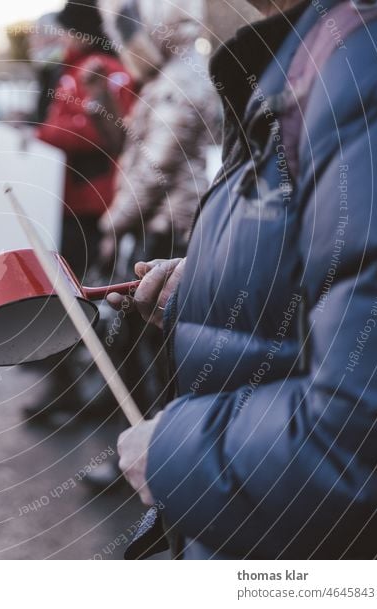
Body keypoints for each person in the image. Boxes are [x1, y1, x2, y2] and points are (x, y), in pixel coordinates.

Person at [110, 0, 377, 558]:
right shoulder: (311, 53)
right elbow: (317, 269)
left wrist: (169, 452)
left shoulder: (364, 63)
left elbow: (364, 433)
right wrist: (205, 284)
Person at [83, 0, 219, 488]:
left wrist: (111, 225)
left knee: (150, 353)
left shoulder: (179, 81)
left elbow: (155, 168)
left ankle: (154, 457)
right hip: (166, 225)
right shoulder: (180, 74)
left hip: (166, 228)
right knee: (153, 353)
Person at [25, 0, 136, 423]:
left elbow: (102, 130)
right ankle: (67, 387)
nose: (60, 36)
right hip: (68, 204)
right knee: (66, 298)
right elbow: (62, 120)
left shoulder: (103, 67)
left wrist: (45, 133)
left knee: (85, 301)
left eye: (68, 29)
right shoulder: (71, 69)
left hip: (96, 206)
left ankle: (85, 392)